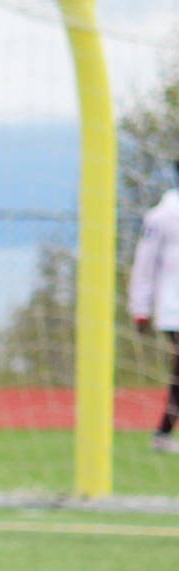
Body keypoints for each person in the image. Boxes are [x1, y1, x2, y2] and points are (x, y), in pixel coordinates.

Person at [127, 161, 179, 454]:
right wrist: (140, 307)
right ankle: (162, 433)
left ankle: (163, 432)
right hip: (174, 308)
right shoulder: (161, 216)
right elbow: (145, 265)